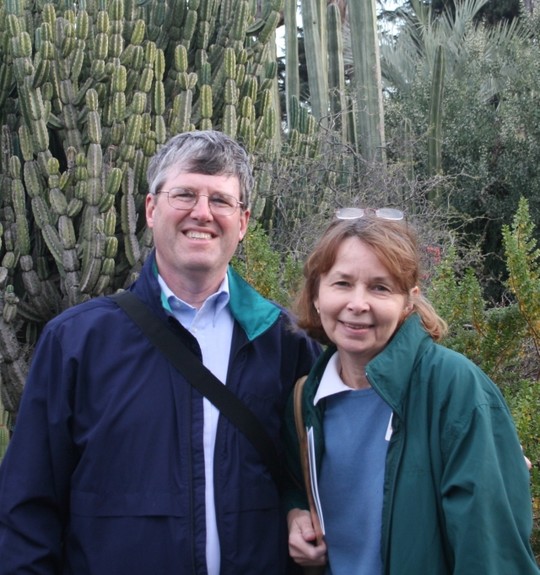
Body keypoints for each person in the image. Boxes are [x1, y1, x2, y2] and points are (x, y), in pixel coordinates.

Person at [0, 130, 320, 574]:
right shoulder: (77, 342)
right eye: (184, 194)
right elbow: (26, 509)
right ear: (152, 209)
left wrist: (297, 509)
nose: (202, 212)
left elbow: (314, 478)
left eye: (221, 200)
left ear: (243, 221)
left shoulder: (285, 342)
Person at [283, 209, 539, 575]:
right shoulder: (306, 399)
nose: (358, 303)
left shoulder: (455, 390)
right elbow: (292, 483)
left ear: (408, 301)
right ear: (316, 295)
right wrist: (295, 511)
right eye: (342, 283)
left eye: (380, 287)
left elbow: (490, 553)